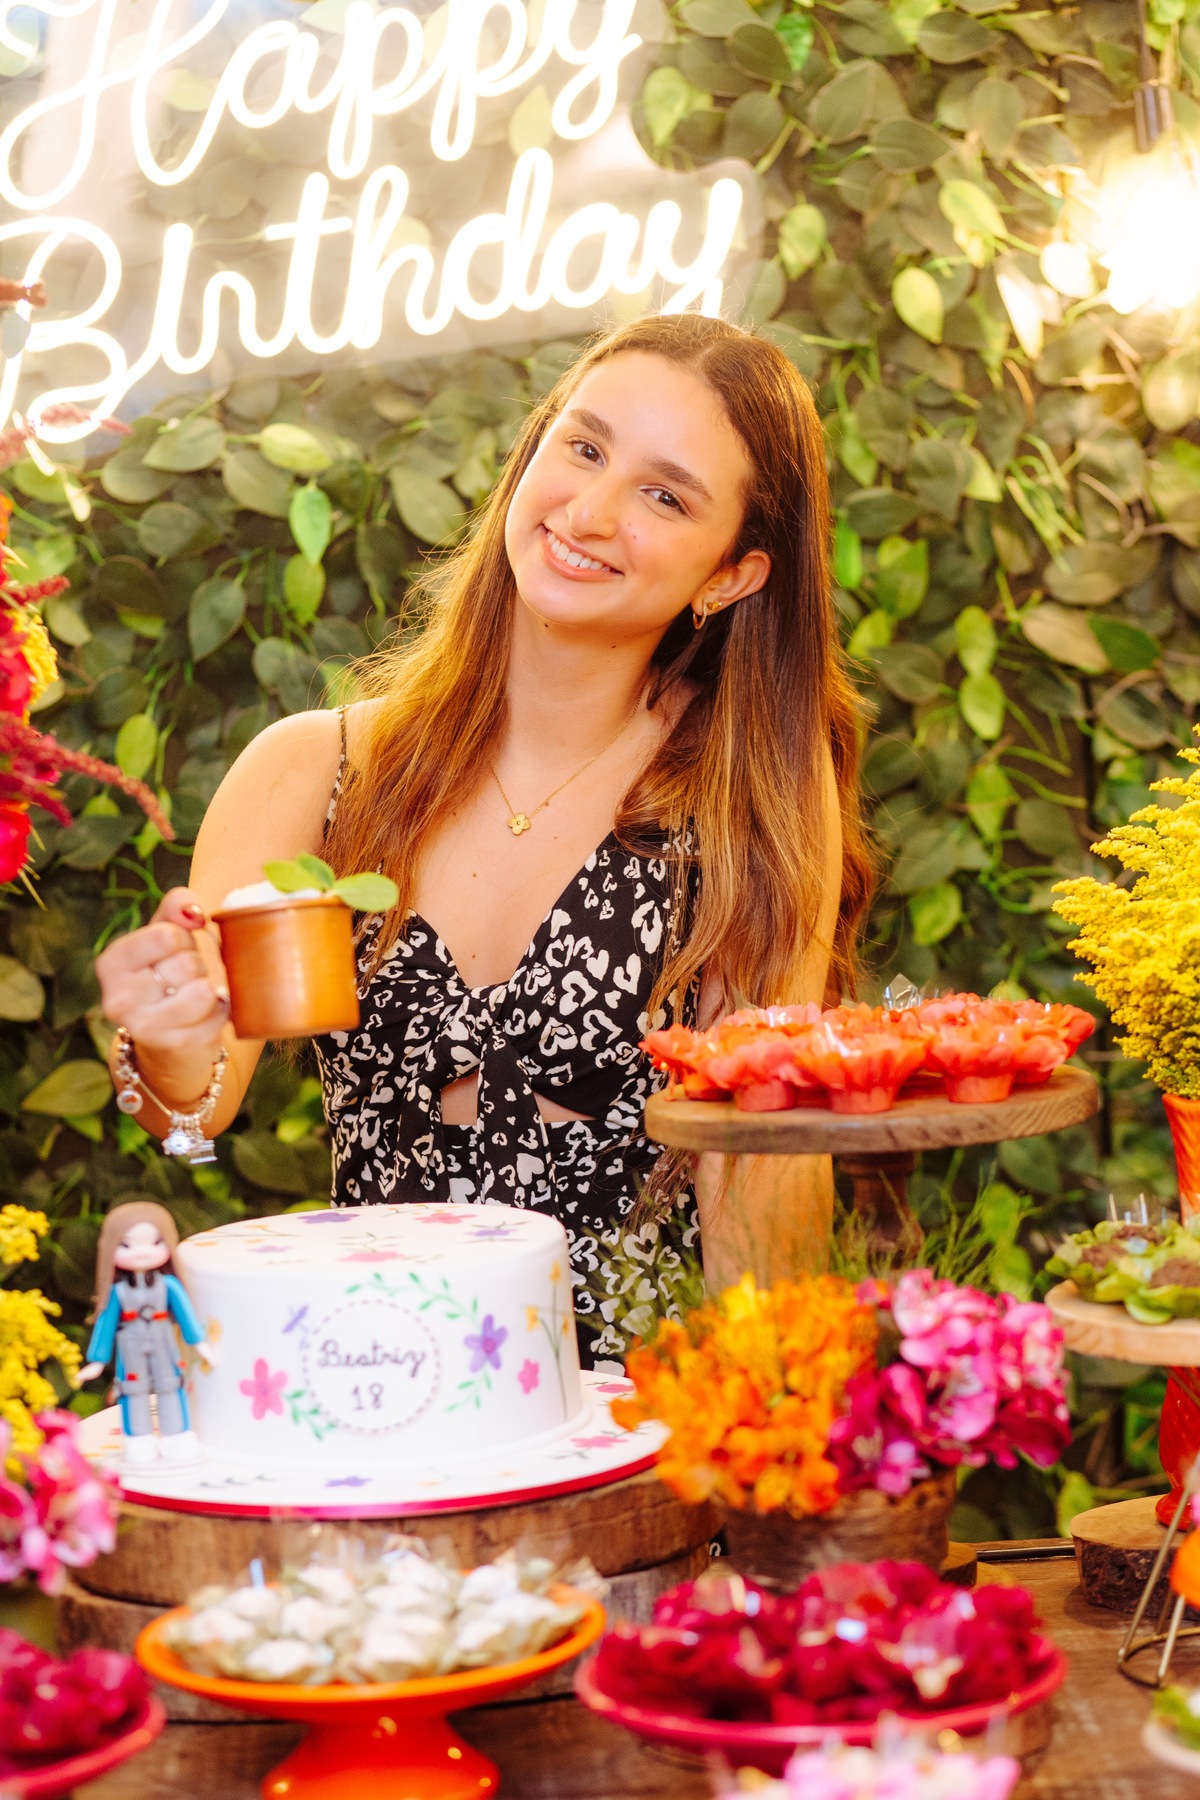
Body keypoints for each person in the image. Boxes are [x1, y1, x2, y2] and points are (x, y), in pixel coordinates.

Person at [94, 312, 872, 1362]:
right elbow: (198, 1109)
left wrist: (782, 1418)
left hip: (636, 1418)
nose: (590, 512)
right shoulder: (313, 774)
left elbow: (758, 1168)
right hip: (379, 1381)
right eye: (583, 447)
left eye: (665, 496)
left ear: (729, 576)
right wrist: (167, 1036)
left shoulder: (745, 793)